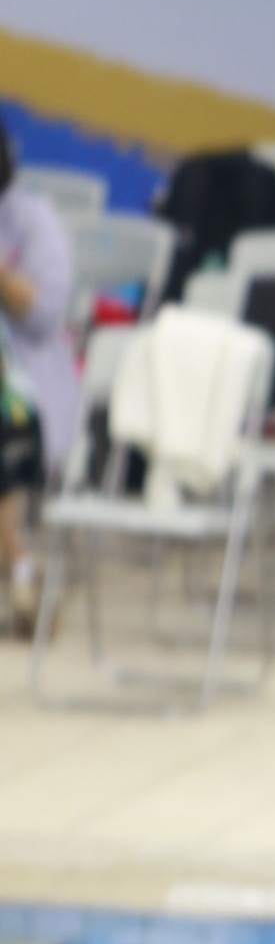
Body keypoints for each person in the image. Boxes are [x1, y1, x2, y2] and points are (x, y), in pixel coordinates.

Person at [0, 118, 79, 635]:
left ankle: (21, 570)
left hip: (26, 388)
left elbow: (45, 310)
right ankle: (21, 569)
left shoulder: (30, 218)